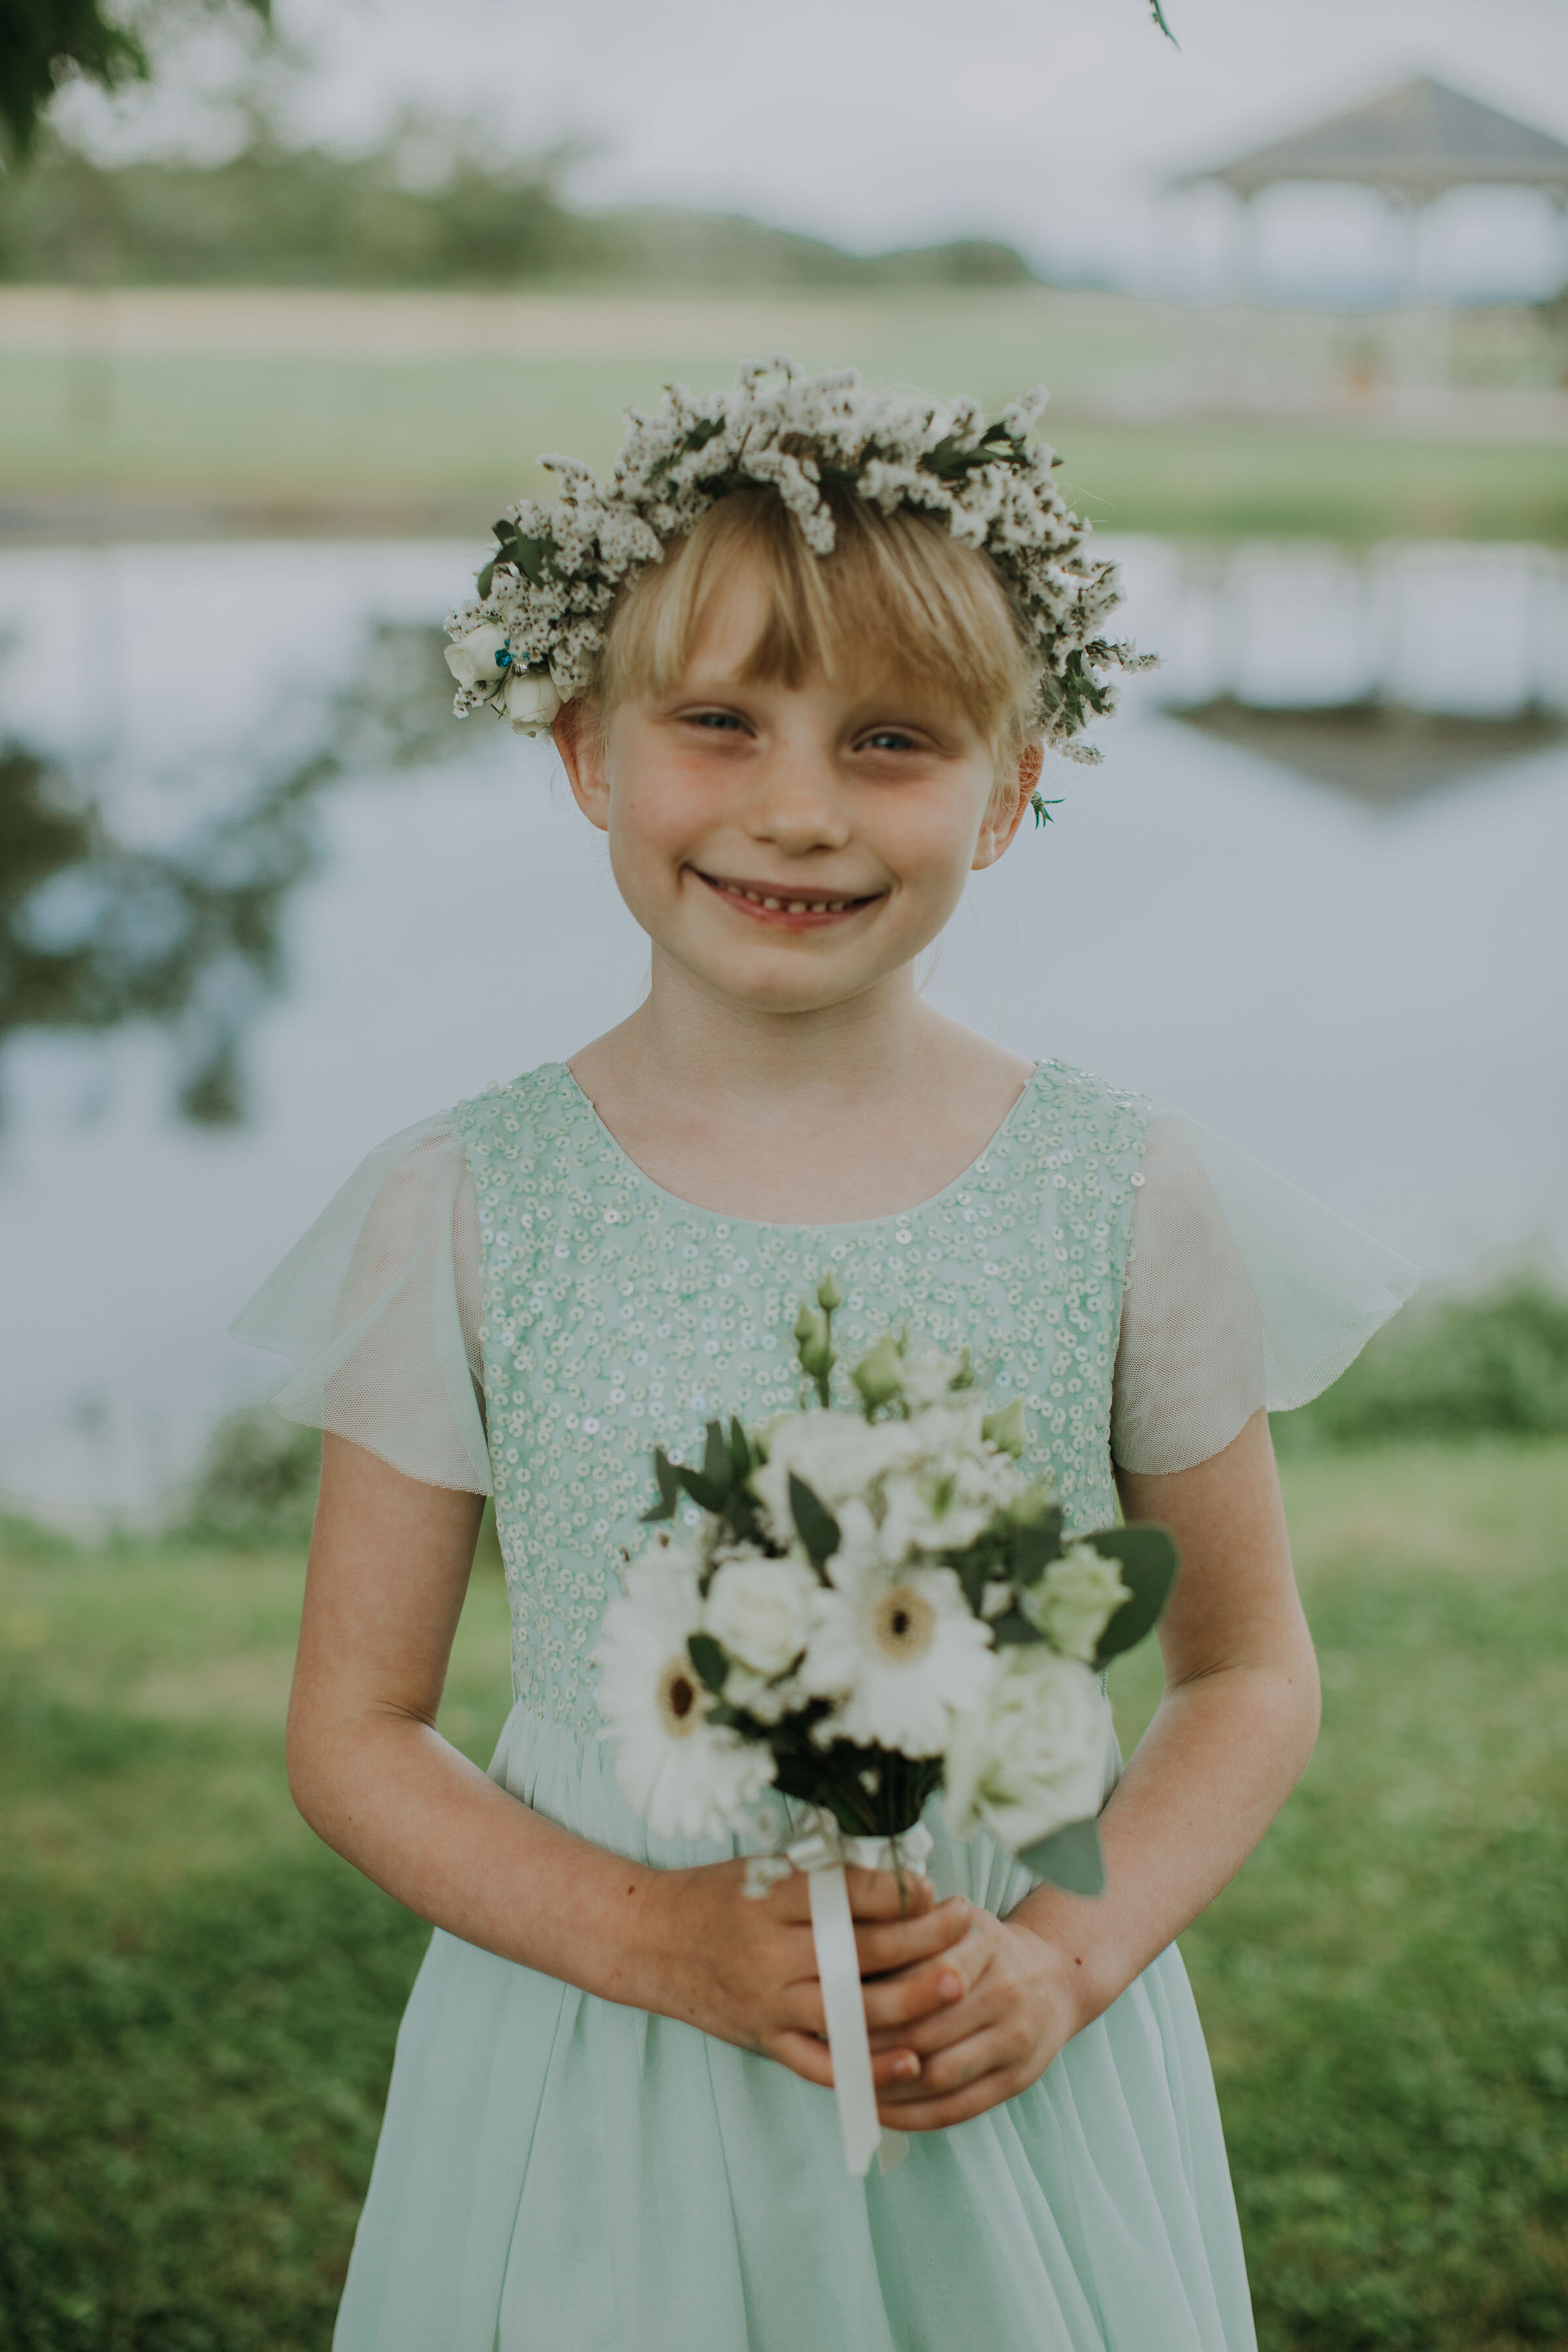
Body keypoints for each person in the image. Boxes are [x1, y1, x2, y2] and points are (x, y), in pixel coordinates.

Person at [235, 361, 1416, 2351]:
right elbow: (357, 1731)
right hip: (605, 2045)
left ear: (1011, 789)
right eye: (717, 723)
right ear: (585, 751)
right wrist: (667, 1945)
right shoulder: (466, 1201)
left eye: (890, 741)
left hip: (998, 2031)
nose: (796, 808)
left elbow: (1246, 1669)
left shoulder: (1125, 1193)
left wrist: (1062, 1962)